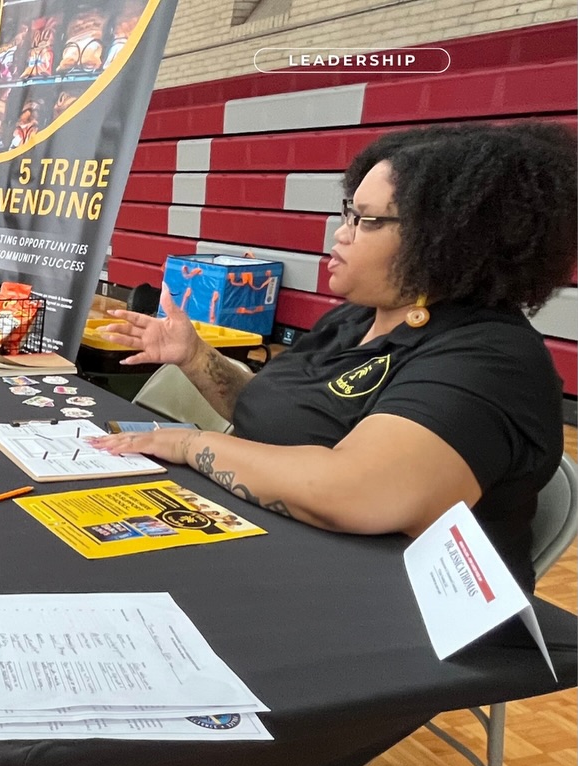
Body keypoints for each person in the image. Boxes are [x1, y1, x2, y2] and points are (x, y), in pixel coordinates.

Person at [95, 123, 576, 592]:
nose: (340, 234)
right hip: (279, 562)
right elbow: (279, 415)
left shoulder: (491, 361)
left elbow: (352, 491)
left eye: (366, 220)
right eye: (349, 213)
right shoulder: (353, 320)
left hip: (400, 626)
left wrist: (187, 445)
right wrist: (195, 357)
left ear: (451, 237)